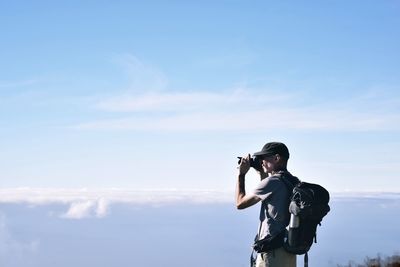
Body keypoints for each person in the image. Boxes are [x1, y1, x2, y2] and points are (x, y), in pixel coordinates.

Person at [236, 142, 300, 267]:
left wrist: (241, 174)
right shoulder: (293, 181)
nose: (262, 161)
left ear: (276, 158)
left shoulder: (272, 182)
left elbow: (240, 203)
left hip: (272, 254)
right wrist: (262, 173)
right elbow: (270, 197)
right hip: (288, 252)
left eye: (264, 157)